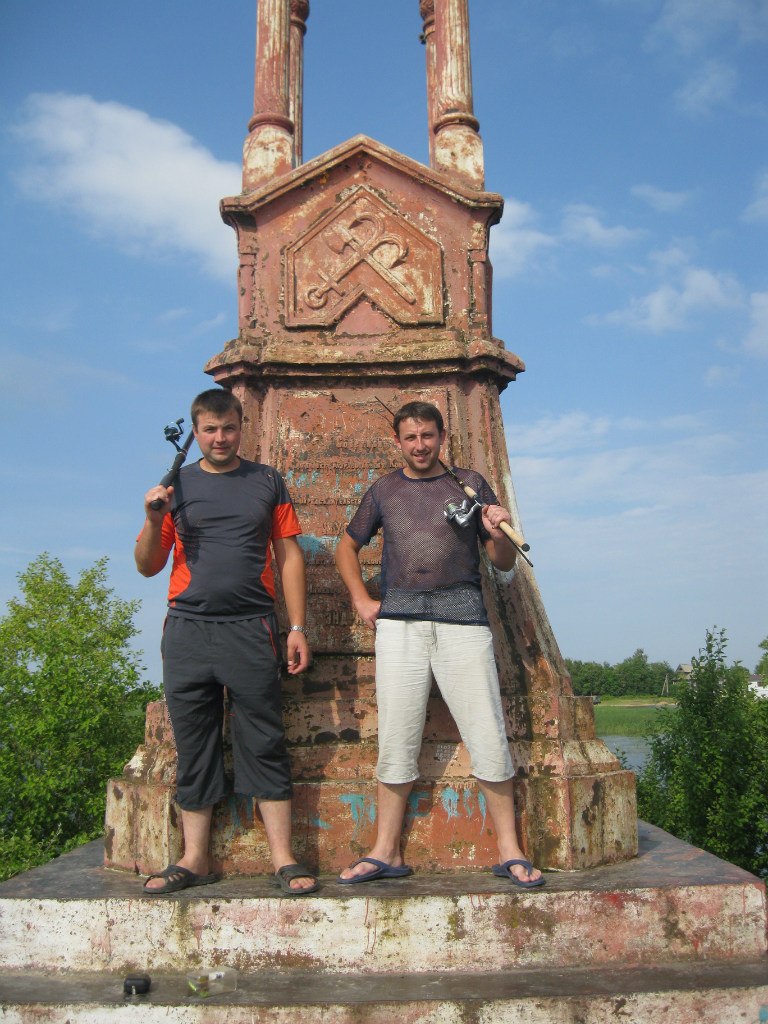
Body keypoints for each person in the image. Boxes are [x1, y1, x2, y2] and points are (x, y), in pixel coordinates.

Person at [334, 400, 544, 888]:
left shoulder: (470, 484)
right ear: (397, 441)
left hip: (463, 623)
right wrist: (362, 599)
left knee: (487, 732)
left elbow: (502, 561)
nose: (420, 445)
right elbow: (347, 547)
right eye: (410, 437)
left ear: (442, 436)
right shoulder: (384, 490)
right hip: (400, 627)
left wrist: (498, 531)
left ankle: (510, 850)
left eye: (427, 435)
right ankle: (385, 850)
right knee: (396, 737)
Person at [135, 388, 317, 896]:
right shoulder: (175, 486)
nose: (220, 438)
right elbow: (147, 565)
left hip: (251, 627)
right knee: (194, 744)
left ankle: (283, 858)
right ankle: (195, 859)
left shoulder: (267, 481)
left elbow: (289, 556)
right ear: (196, 432)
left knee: (264, 739)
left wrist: (297, 627)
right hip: (187, 630)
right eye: (210, 430)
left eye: (229, 428)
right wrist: (152, 518)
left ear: (242, 428)